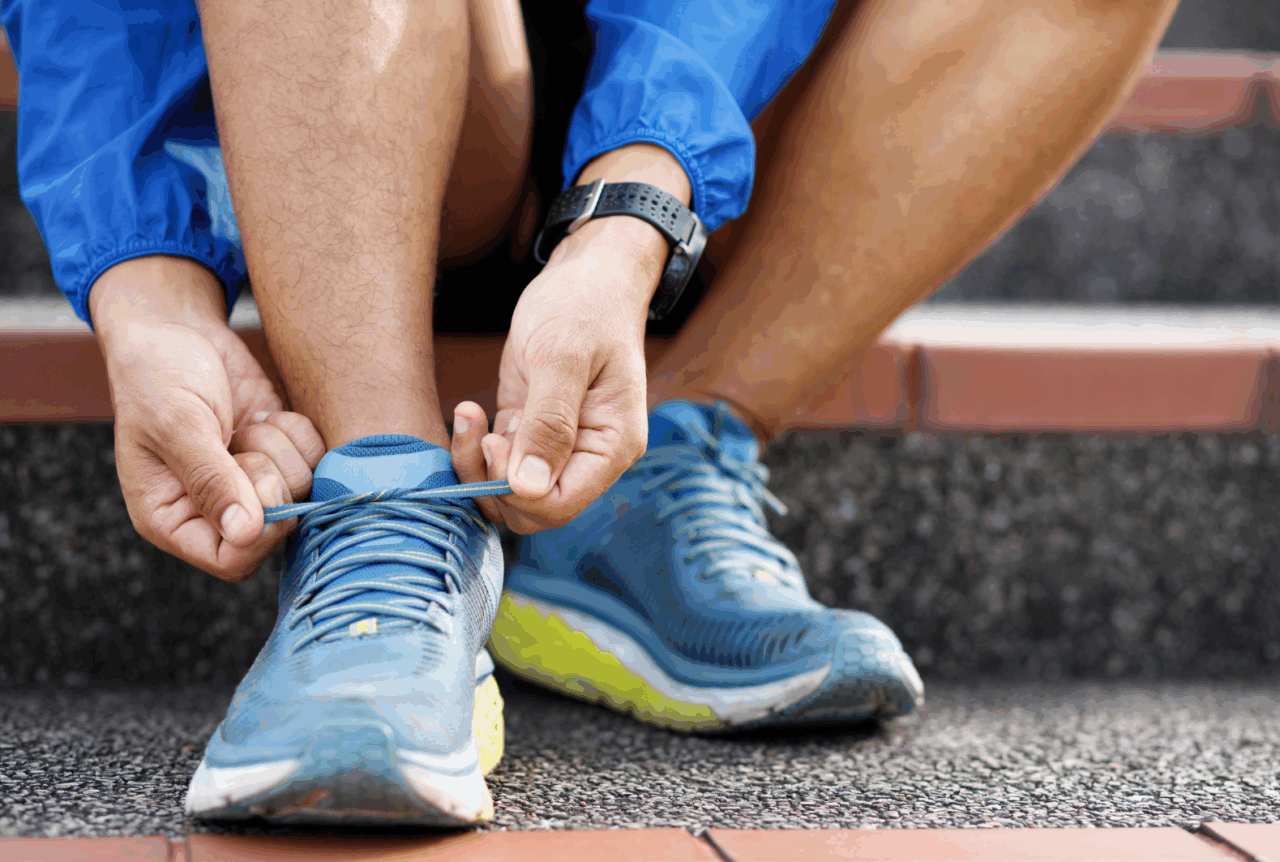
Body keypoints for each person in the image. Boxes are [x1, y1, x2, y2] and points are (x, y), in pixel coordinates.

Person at [4, 0, 1177, 827]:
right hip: (355, 85)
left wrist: (632, 211)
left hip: (711, 95)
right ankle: (389, 499)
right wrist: (146, 285)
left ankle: (659, 459)